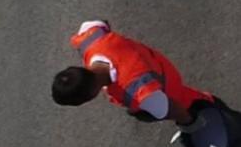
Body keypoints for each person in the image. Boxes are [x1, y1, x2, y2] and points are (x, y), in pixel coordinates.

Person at [52, 20, 214, 128]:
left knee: (184, 101)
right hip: (157, 63)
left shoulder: (137, 92)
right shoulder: (90, 41)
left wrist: (189, 124)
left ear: (91, 94)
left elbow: (170, 109)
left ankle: (209, 104)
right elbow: (98, 23)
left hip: (168, 86)